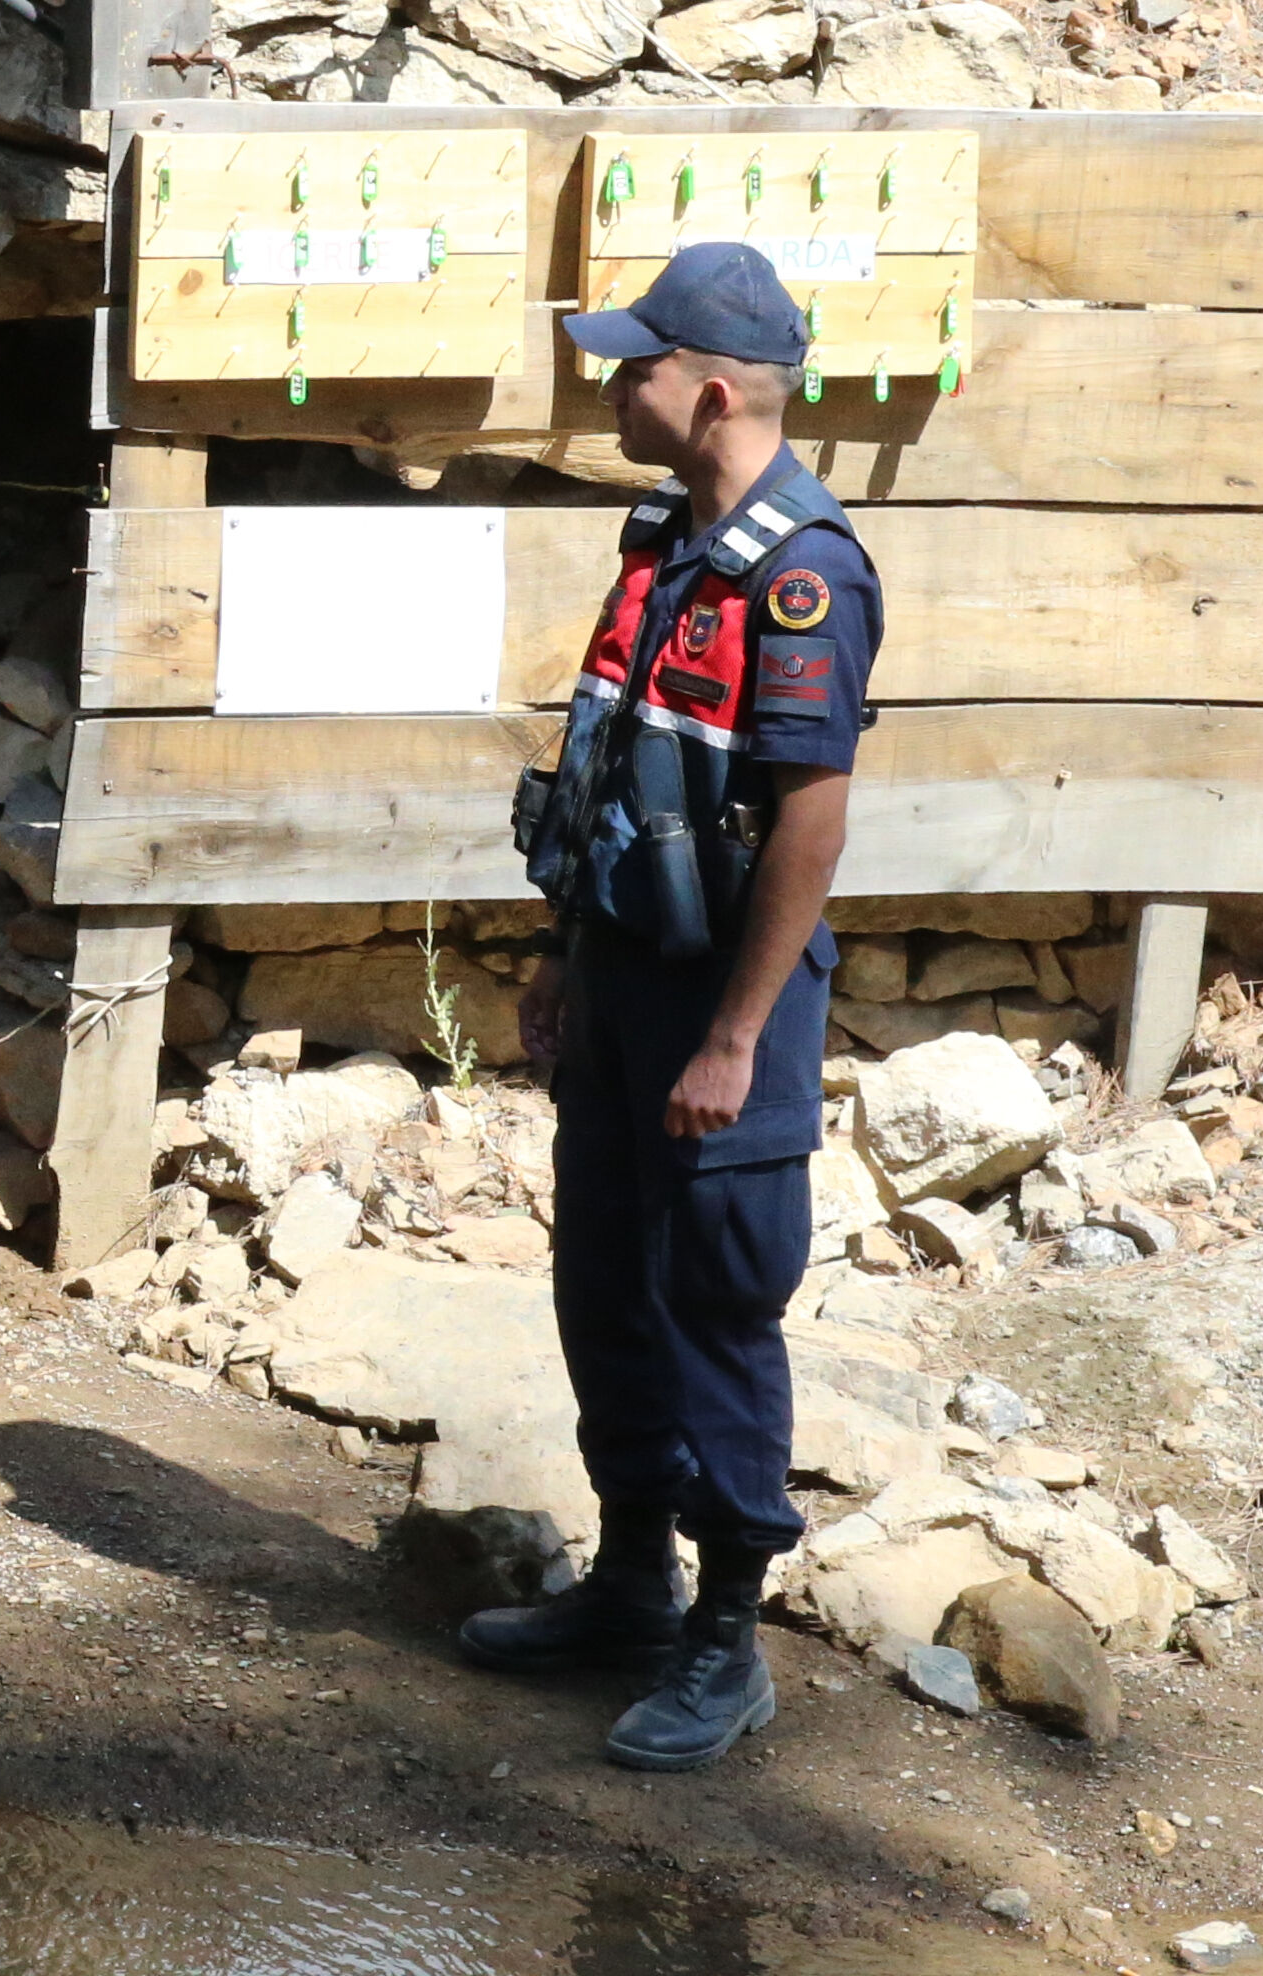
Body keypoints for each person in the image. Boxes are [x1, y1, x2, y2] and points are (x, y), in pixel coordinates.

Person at [458, 239, 878, 1774]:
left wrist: (733, 1036)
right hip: (626, 974)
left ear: (708, 393)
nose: (609, 385)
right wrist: (564, 954)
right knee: (607, 1284)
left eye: (633, 365)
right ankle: (632, 1579)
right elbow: (617, 770)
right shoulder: (662, 536)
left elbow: (810, 823)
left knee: (713, 1301)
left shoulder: (804, 574)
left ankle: (727, 1639)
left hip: (722, 1005)